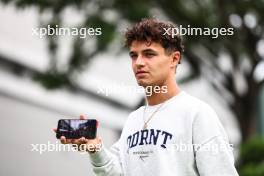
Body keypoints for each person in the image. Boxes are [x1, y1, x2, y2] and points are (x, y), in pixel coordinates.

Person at [55, 18, 239, 176]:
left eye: (149, 54)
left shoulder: (197, 113)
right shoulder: (133, 119)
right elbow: (116, 172)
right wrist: (95, 149)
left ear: (174, 59)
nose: (139, 63)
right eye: (134, 56)